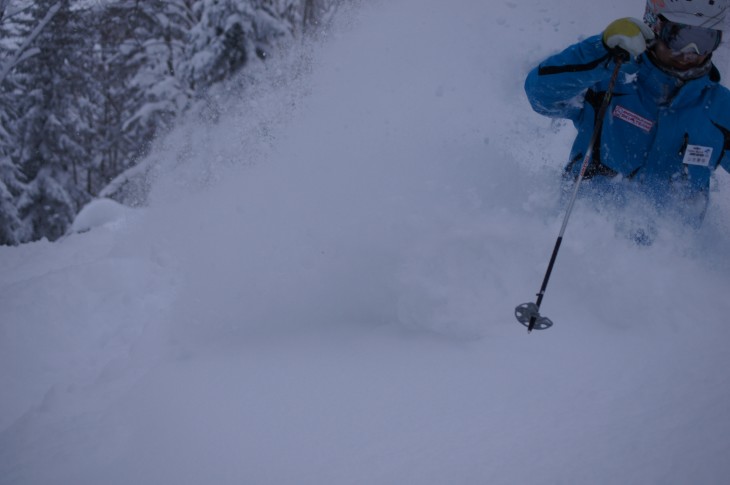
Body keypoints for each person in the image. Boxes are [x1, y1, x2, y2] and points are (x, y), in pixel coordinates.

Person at [524, 0, 730, 229]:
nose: (690, 52)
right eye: (679, 36)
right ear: (655, 26)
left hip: (670, 257)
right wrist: (601, 50)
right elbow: (540, 95)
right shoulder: (609, 76)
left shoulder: (721, 109)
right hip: (583, 241)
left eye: (705, 39)